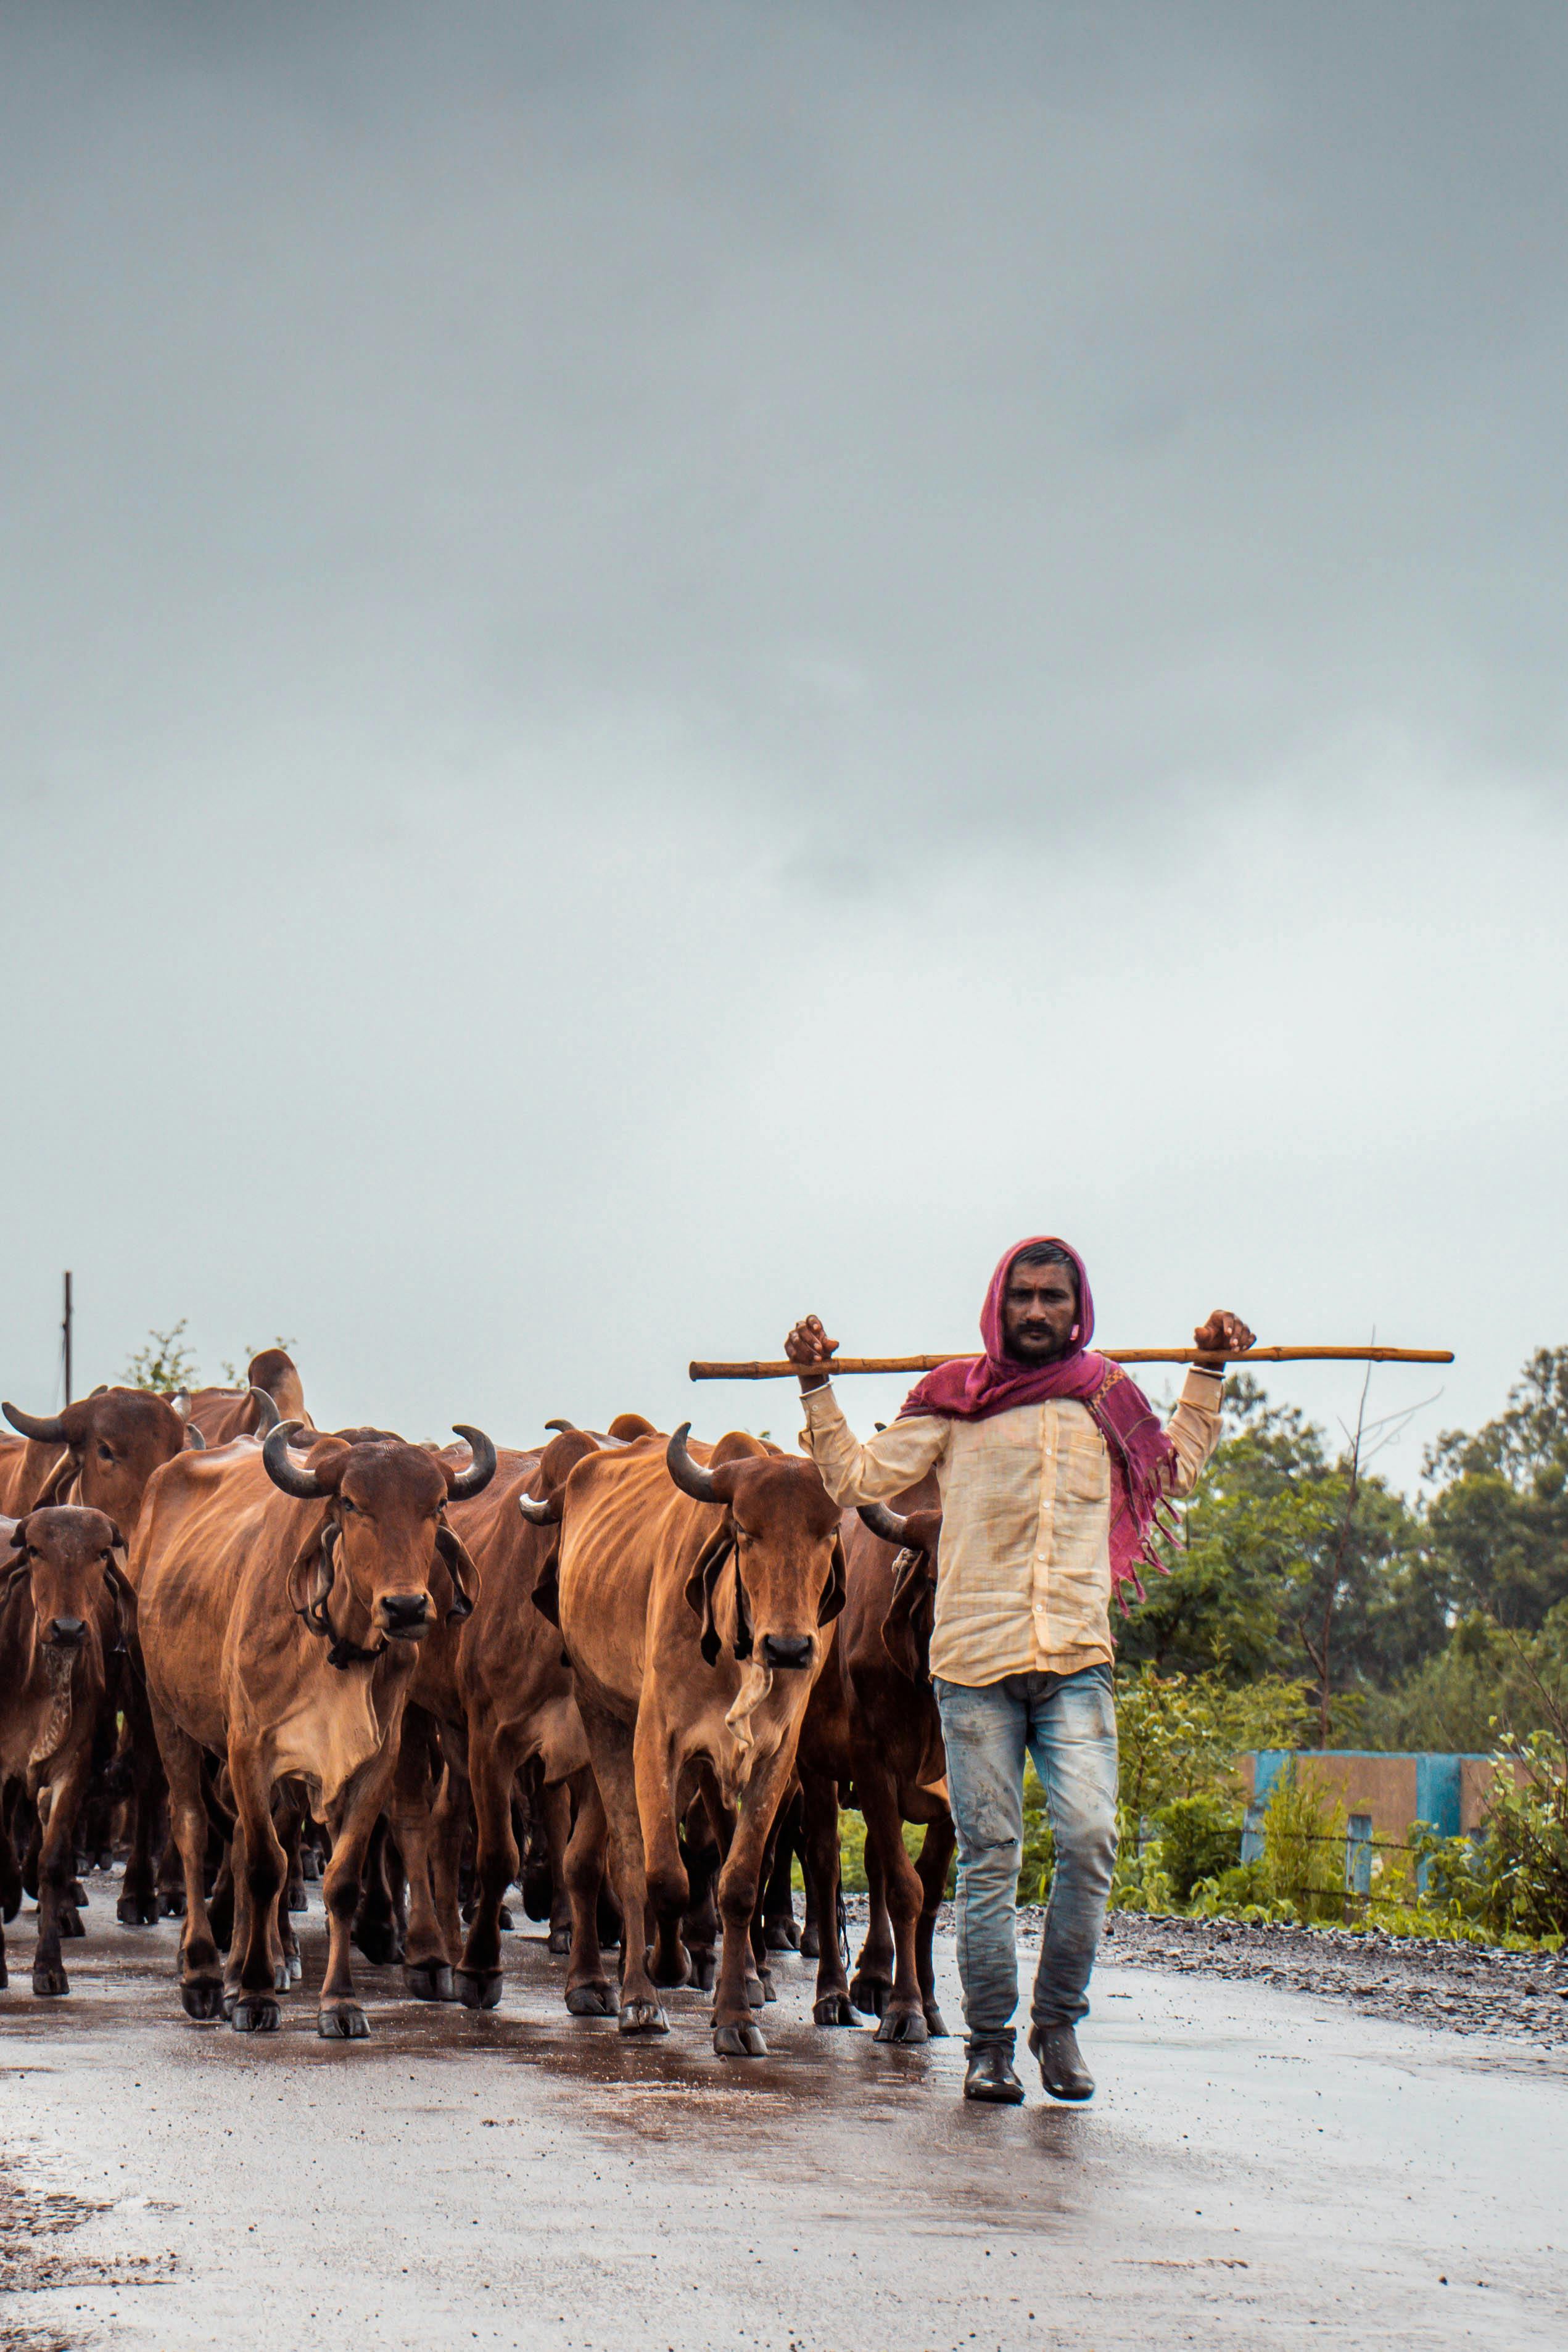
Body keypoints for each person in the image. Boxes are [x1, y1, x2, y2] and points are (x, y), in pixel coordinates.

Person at [785, 1237, 1253, 2105]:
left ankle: (1057, 2024)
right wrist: (816, 1384)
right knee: (989, 1858)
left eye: (1053, 1297)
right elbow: (853, 1476)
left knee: (1088, 1840)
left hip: (1076, 1657)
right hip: (972, 1664)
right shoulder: (953, 1402)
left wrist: (1207, 1371)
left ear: (1077, 1311)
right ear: (998, 1306)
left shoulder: (1107, 1398)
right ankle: (990, 2044)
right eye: (1022, 1296)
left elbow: (1174, 1469)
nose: (1036, 1311)